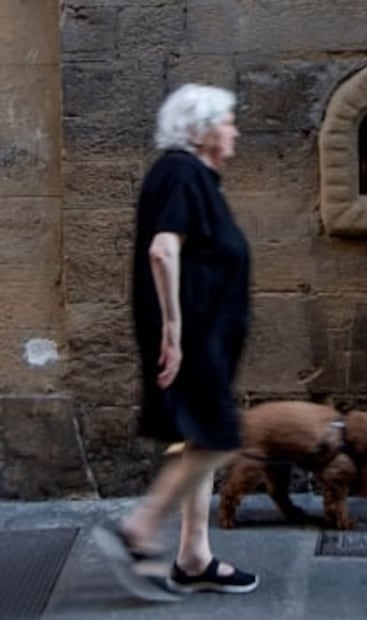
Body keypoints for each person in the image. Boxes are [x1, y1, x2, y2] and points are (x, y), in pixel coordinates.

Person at [92, 83, 258, 600]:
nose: (234, 131)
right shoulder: (182, 173)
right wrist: (173, 330)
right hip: (194, 339)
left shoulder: (194, 177)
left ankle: (193, 558)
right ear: (202, 129)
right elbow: (162, 250)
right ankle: (137, 531)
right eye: (227, 121)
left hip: (205, 338)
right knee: (219, 438)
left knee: (202, 439)